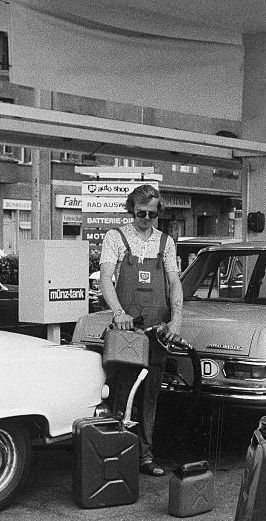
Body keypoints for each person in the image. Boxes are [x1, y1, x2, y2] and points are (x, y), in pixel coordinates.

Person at [98, 184, 184, 477]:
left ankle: (146, 457)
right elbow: (106, 280)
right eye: (140, 213)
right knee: (121, 393)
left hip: (157, 331)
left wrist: (177, 320)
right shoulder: (116, 238)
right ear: (130, 210)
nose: (145, 218)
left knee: (150, 397)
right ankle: (117, 455)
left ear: (158, 212)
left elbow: (174, 283)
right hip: (127, 331)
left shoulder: (166, 243)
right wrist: (118, 312)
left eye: (151, 213)